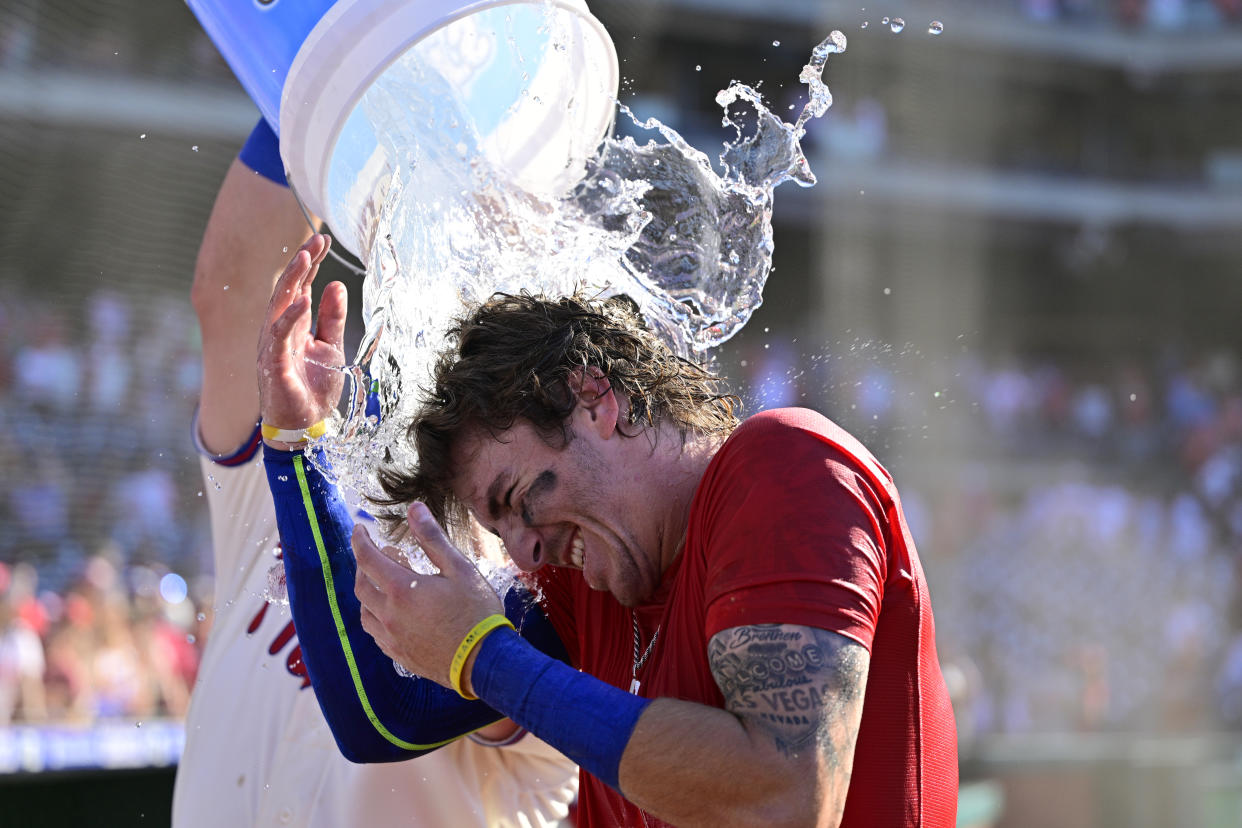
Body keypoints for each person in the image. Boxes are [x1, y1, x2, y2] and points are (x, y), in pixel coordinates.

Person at [256, 234, 959, 826]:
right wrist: (296, 448)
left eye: (516, 496)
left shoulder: (785, 465)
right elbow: (383, 714)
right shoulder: (580, 585)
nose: (523, 548)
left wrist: (484, 658)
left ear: (594, 399)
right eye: (498, 529)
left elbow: (784, 795)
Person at [171, 121, 577, 828]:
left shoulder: (535, 617)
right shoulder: (293, 475)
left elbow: (382, 716)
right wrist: (321, 87)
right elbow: (230, 287)